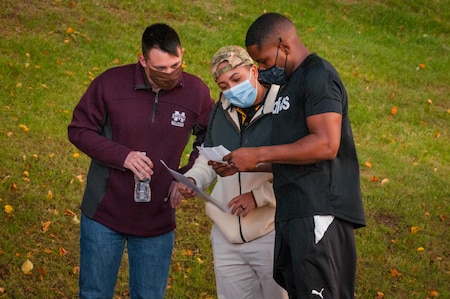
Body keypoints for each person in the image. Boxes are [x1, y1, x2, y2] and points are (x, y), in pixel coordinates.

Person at [222, 13, 366, 298]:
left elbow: (326, 144)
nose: (262, 71)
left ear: (283, 46)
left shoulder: (318, 75)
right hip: (293, 212)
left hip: (318, 209)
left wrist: (259, 152)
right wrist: (247, 164)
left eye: (263, 61)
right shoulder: (289, 85)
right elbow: (295, 154)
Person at [67, 23, 214, 299]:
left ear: (182, 53)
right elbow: (79, 130)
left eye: (176, 65)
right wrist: (123, 156)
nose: (170, 74)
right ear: (143, 60)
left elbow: (212, 135)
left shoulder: (196, 91)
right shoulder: (110, 83)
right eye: (161, 69)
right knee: (94, 294)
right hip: (103, 214)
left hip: (157, 220)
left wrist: (187, 175)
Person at [174, 46, 287, 299]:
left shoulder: (283, 107)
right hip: (226, 233)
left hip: (271, 231)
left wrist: (259, 197)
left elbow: (299, 168)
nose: (231, 89)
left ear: (254, 71)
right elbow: (208, 153)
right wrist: (195, 179)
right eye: (224, 85)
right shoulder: (221, 109)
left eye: (236, 79)